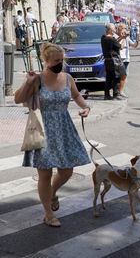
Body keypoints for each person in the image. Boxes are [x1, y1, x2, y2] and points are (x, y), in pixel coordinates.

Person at [14, 43, 91, 227]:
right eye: (56, 60)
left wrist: (86, 107)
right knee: (45, 174)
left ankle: (53, 192)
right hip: (43, 129)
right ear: (46, 61)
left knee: (67, 170)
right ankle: (48, 213)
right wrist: (28, 82)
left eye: (61, 60)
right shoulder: (38, 79)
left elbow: (76, 96)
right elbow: (18, 99)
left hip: (64, 128)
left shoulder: (67, 77)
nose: (60, 63)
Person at [101, 23, 122, 100]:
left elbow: (114, 43)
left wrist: (120, 37)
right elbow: (120, 46)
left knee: (109, 78)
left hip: (107, 60)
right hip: (114, 61)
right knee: (116, 77)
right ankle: (115, 94)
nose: (114, 30)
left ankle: (106, 95)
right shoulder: (112, 39)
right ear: (110, 30)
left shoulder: (103, 38)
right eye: (113, 29)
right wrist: (123, 39)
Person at [116, 23, 138, 98]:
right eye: (123, 28)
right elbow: (120, 47)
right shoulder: (116, 37)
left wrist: (137, 39)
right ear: (119, 29)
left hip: (126, 58)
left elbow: (134, 45)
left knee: (124, 76)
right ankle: (119, 91)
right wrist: (122, 38)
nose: (125, 30)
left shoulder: (127, 38)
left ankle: (120, 91)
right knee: (120, 76)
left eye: (125, 29)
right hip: (119, 58)